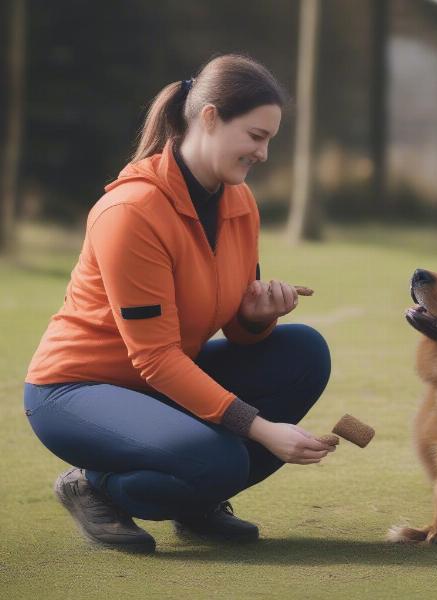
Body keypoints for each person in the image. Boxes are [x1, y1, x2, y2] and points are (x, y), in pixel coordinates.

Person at [23, 54, 334, 554]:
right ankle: (92, 484)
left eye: (270, 139)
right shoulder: (131, 212)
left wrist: (256, 318)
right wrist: (263, 430)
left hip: (157, 383)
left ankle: (196, 499)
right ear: (209, 117)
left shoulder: (239, 202)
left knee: (303, 352)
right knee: (223, 460)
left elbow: (235, 327)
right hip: (77, 390)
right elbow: (155, 357)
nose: (264, 153)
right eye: (256, 136)